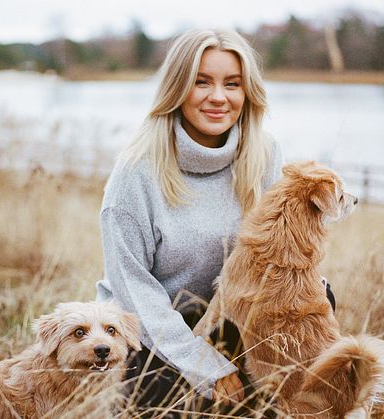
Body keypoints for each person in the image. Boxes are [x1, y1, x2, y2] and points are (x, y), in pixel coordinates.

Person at [95, 28, 282, 412]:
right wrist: (205, 366)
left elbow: (276, 252)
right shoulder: (137, 172)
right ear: (178, 87)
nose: (218, 97)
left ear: (247, 92)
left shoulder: (263, 154)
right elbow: (134, 292)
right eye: (201, 82)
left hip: (230, 322)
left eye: (232, 84)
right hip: (154, 333)